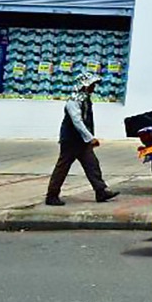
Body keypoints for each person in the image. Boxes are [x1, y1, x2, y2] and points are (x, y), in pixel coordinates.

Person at [45, 73, 119, 206]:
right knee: (62, 168)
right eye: (91, 85)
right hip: (71, 140)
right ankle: (52, 195)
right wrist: (90, 138)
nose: (93, 88)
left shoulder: (85, 100)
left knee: (92, 165)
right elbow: (77, 122)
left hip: (81, 141)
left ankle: (100, 191)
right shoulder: (73, 102)